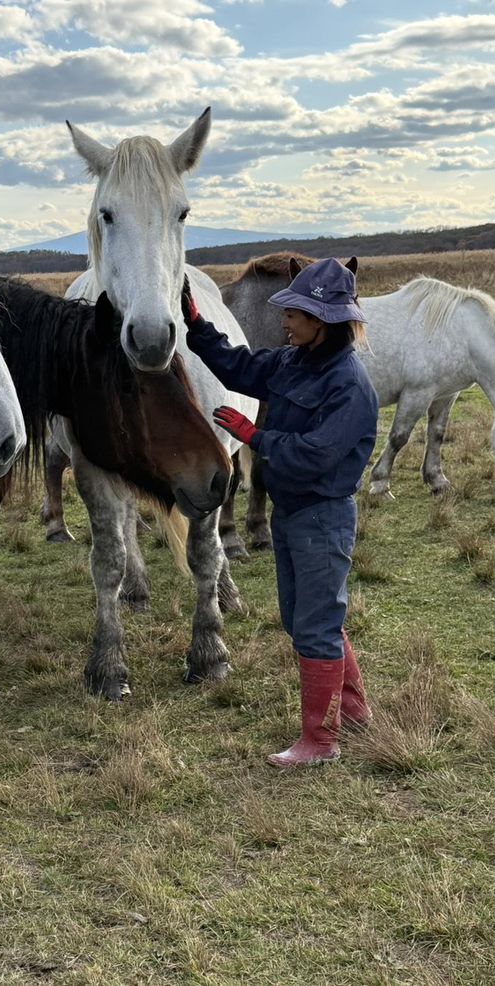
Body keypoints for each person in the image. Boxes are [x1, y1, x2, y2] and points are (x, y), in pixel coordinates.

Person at [182, 257, 378, 768]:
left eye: (296, 315)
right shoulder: (294, 361)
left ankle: (320, 740)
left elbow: (316, 454)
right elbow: (242, 368)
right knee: (304, 618)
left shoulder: (350, 386)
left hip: (321, 515)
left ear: (324, 322)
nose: (285, 322)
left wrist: (255, 437)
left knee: (314, 623)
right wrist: (197, 328)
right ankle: (352, 709)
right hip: (292, 515)